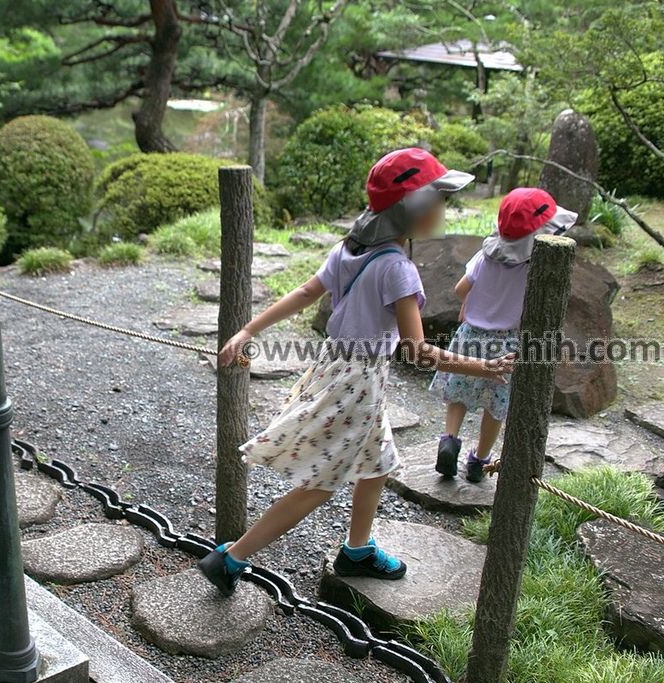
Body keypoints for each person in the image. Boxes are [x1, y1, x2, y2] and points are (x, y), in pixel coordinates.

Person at [198, 148, 515, 596]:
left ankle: (358, 550)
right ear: (415, 210)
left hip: (336, 367)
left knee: (377, 460)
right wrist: (482, 368)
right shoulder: (398, 269)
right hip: (359, 381)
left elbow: (307, 292)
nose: (445, 209)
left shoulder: (349, 250)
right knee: (322, 483)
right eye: (440, 200)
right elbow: (418, 350)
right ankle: (232, 558)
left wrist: (249, 328)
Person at [431, 187, 577, 483]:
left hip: (470, 334)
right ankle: (479, 461)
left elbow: (461, 289)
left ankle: (449, 439)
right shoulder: (534, 266)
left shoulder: (485, 256)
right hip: (506, 343)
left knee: (458, 392)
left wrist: (470, 305)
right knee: (496, 405)